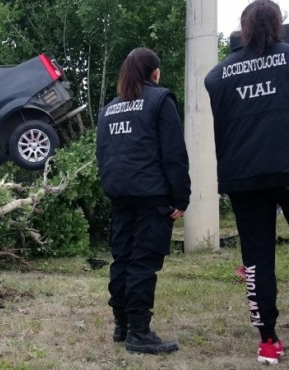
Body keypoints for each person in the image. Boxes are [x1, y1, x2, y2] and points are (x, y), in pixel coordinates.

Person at [204, 0, 289, 364]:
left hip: (245, 178)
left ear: (245, 27)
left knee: (256, 259)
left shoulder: (216, 76)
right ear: (279, 24)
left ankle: (268, 341)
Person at [96, 47, 191, 354]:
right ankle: (139, 332)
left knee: (122, 258)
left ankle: (121, 325)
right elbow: (174, 154)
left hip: (120, 195)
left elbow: (103, 154)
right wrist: (181, 197)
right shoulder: (160, 100)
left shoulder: (109, 108)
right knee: (143, 262)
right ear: (155, 73)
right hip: (152, 196)